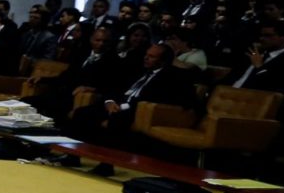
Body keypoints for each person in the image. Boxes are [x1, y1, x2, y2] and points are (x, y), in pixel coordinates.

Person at [69, 41, 199, 139]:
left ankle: (107, 164)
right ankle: (73, 155)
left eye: (152, 56)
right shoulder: (138, 70)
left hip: (135, 110)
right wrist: (109, 101)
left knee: (117, 118)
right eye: (146, 55)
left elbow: (152, 99)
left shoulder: (169, 77)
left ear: (163, 61)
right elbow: (115, 87)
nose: (146, 58)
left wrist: (121, 107)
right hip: (115, 105)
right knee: (81, 113)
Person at [228, 19, 284, 95]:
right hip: (226, 93)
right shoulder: (253, 53)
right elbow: (231, 76)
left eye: (268, 35)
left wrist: (259, 67)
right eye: (261, 35)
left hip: (251, 99)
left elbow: (268, 87)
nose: (261, 39)